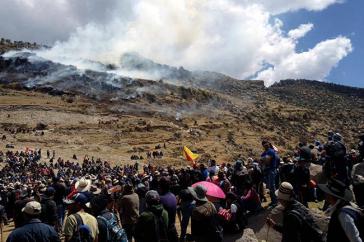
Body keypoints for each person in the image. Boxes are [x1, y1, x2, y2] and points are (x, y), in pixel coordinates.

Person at [261, 140, 279, 207]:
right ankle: (273, 201)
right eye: (264, 144)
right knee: (269, 187)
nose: (265, 145)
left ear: (269, 144)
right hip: (267, 171)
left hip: (271, 170)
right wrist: (263, 160)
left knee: (272, 186)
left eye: (266, 143)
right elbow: (262, 161)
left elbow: (267, 161)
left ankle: (275, 201)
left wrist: (263, 160)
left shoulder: (270, 151)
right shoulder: (264, 153)